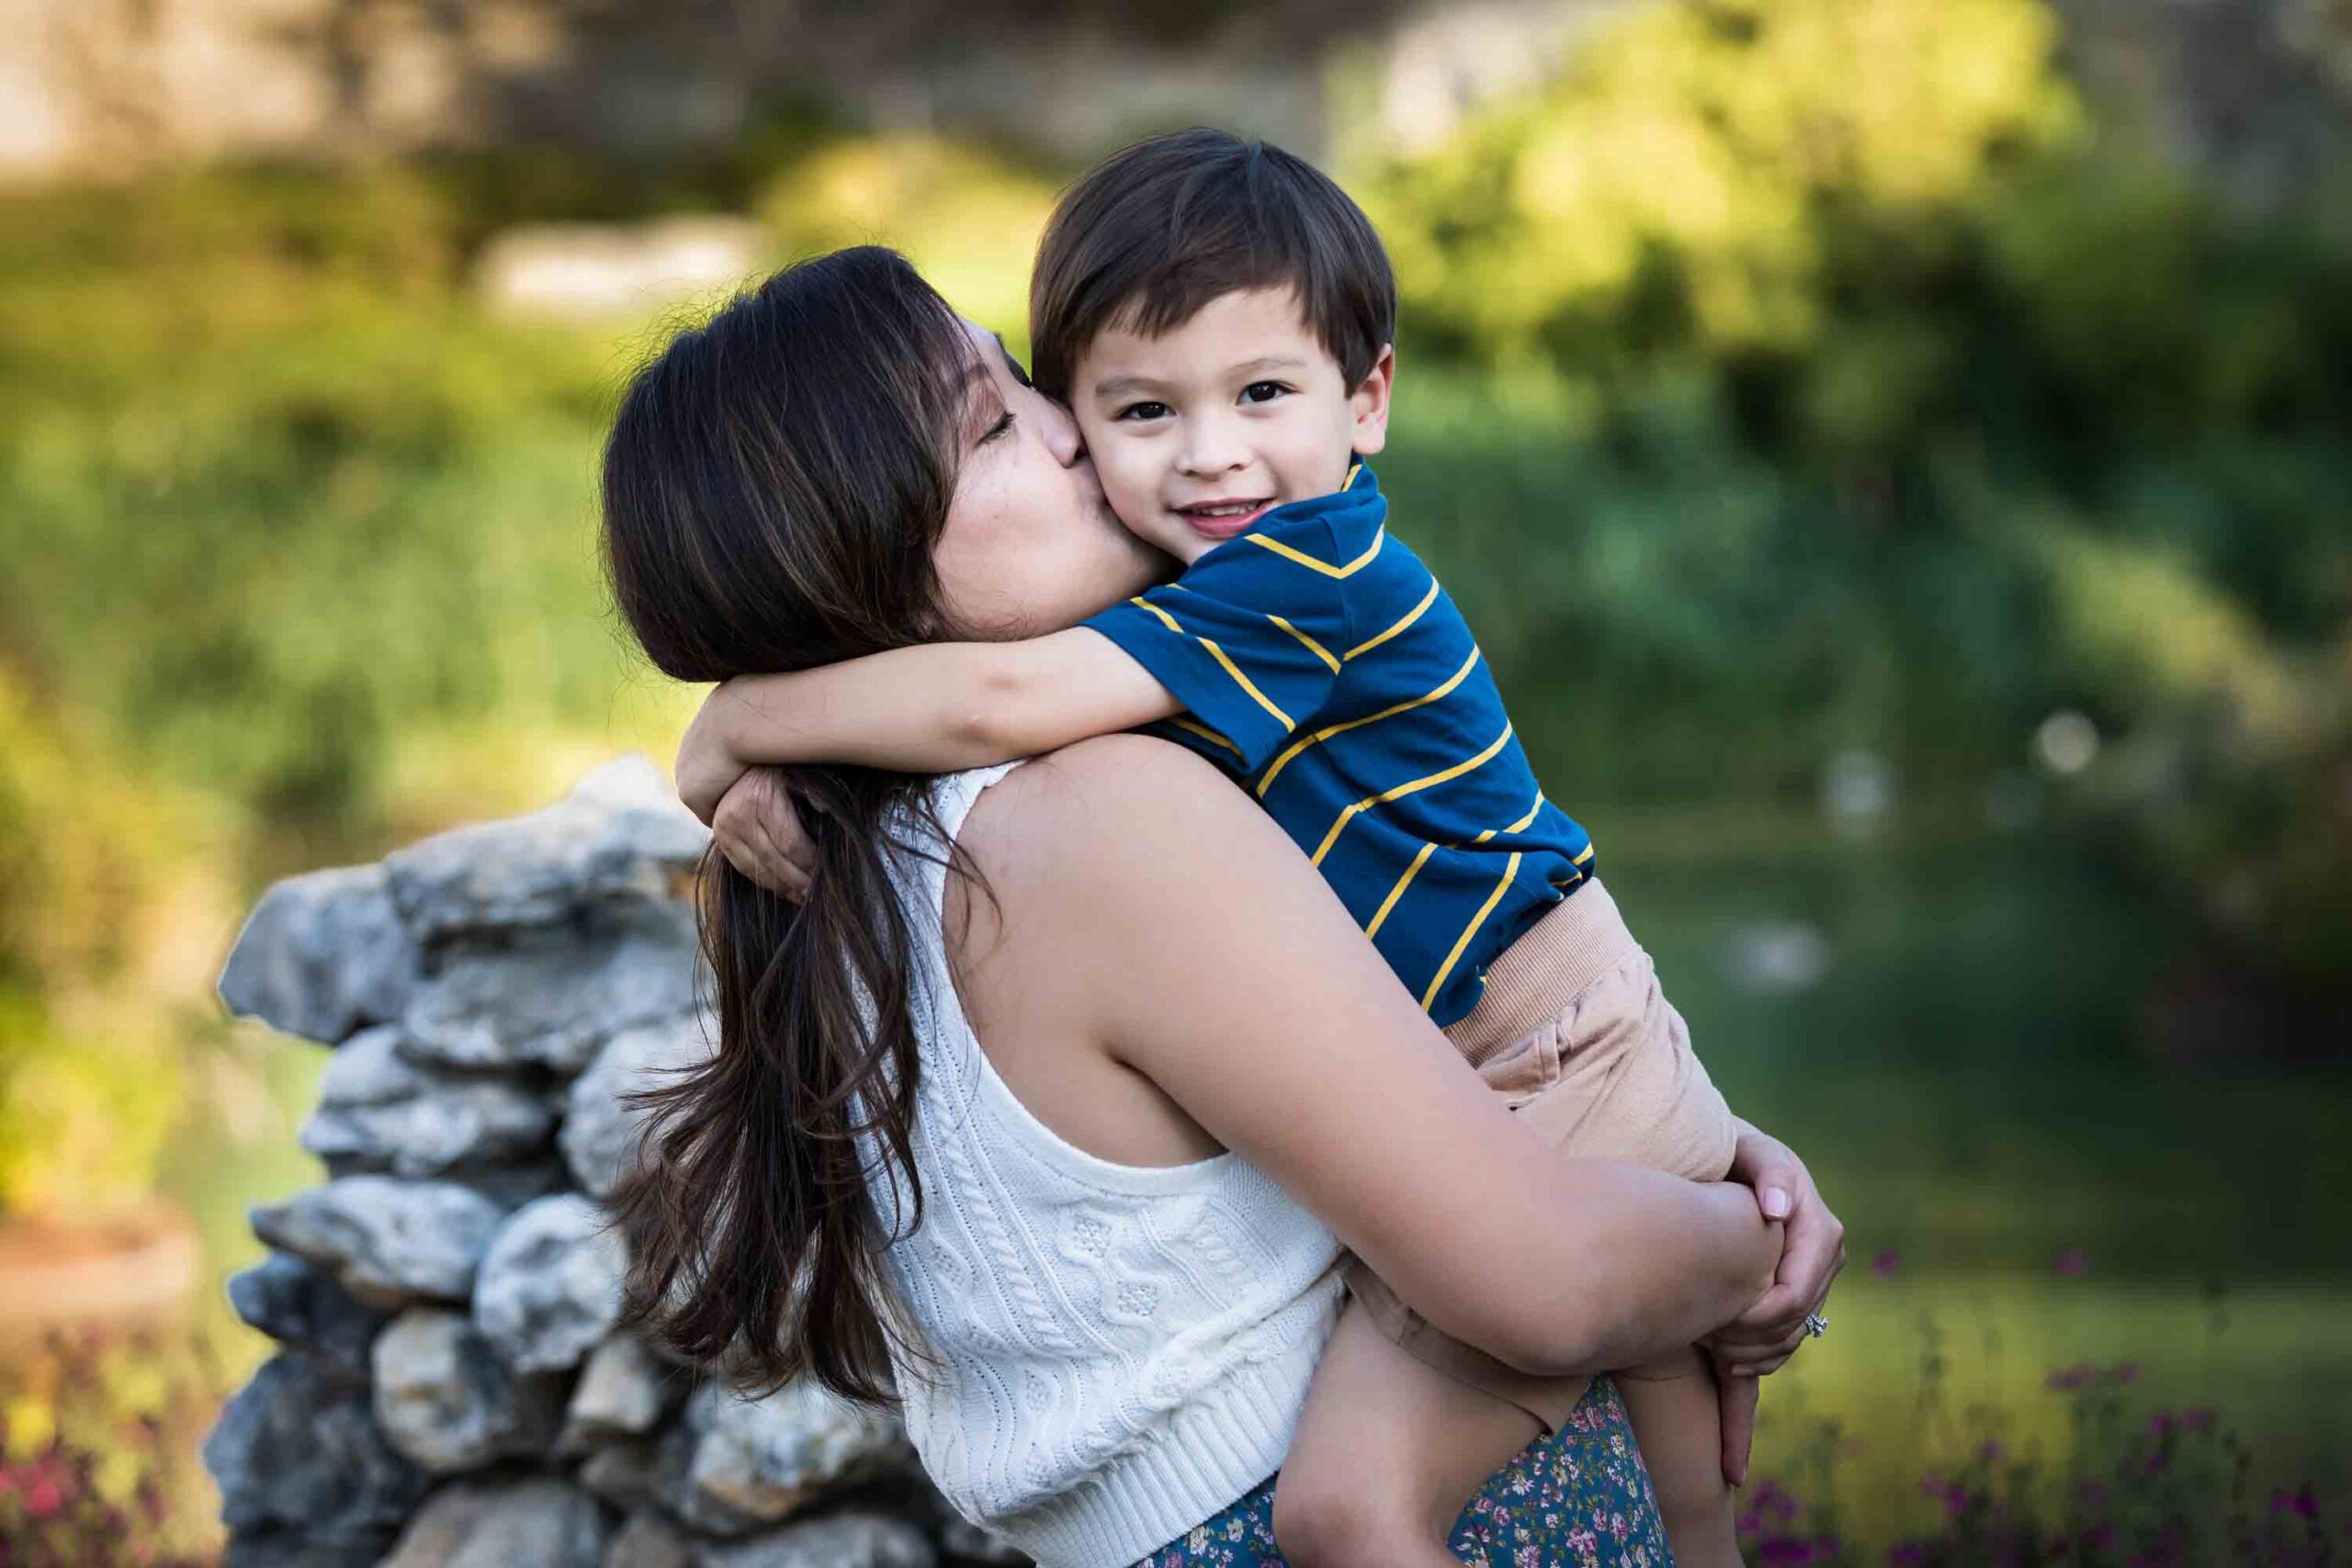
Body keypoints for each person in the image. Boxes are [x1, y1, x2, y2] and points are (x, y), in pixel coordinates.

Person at [600, 243, 1845, 1567]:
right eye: (992, 426)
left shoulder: (826, 877)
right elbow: (1545, 1277)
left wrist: (736, 729)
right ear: (856, 560)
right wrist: (1745, 1250)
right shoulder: (1098, 820)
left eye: (1027, 383)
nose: (1074, 430)